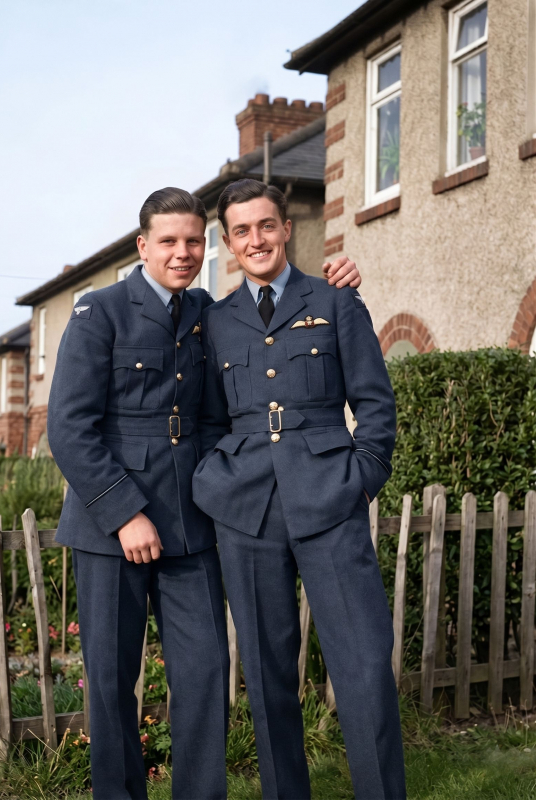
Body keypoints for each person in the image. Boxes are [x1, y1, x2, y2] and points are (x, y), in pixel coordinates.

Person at [47, 186, 363, 799]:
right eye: (168, 241)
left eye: (194, 240)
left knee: (206, 676)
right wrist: (123, 514)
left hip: (190, 522)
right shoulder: (99, 311)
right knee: (112, 683)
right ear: (143, 246)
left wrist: (343, 277)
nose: (183, 252)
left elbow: (238, 388)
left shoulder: (205, 313)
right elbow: (68, 427)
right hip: (111, 526)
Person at [193, 178, 405, 800]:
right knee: (264, 675)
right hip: (246, 511)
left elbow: (375, 407)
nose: (255, 240)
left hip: (329, 501)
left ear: (287, 229)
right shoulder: (215, 321)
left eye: (266, 226)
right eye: (241, 231)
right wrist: (215, 483)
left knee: (364, 668)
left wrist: (361, 478)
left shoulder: (336, 300)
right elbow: (207, 419)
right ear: (229, 244)